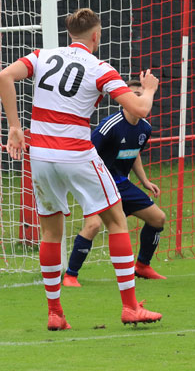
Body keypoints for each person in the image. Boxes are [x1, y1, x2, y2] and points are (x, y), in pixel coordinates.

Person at [0, 8, 162, 330]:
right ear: (96, 36)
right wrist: (150, 88)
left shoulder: (42, 55)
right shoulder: (99, 68)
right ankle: (130, 307)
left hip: (42, 157)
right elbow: (140, 108)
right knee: (116, 221)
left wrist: (15, 127)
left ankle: (55, 313)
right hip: (75, 153)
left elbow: (4, 75)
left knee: (50, 232)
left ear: (69, 35)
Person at [62, 79, 167, 287]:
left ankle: (142, 266)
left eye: (141, 94)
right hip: (99, 183)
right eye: (134, 95)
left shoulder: (145, 128)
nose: (139, 99)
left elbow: (134, 154)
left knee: (158, 219)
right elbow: (87, 152)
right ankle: (70, 275)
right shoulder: (109, 126)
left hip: (122, 184)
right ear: (124, 100)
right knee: (93, 225)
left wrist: (145, 180)